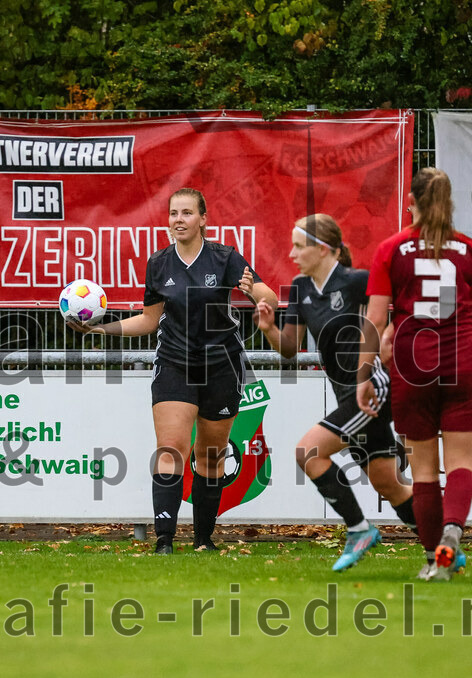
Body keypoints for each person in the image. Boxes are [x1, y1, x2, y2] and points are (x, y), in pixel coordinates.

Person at [69, 187, 277, 554]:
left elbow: (269, 297)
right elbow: (150, 321)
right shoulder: (158, 263)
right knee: (171, 448)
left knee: (211, 455)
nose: (178, 220)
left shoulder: (225, 258)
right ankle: (163, 541)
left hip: (222, 365)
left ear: (203, 219)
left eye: (186, 213)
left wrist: (255, 294)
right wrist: (102, 329)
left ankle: (203, 540)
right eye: (173, 214)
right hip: (175, 363)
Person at [256, 214, 416, 571]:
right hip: (347, 395)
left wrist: (383, 347)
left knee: (308, 451)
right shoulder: (299, 288)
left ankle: (359, 530)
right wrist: (268, 328)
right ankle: (442, 543)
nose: (292, 253)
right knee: (388, 483)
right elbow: (289, 348)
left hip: (371, 387)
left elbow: (394, 313)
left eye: (299, 246)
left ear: (323, 249)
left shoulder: (357, 281)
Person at [357, 167, 472, 581]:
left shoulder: (393, 249)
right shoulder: (469, 250)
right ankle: (454, 531)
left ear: (410, 202)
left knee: (424, 471)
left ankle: (435, 560)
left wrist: (363, 373)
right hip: (463, 362)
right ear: (450, 204)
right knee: (462, 463)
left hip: (413, 365)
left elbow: (375, 320)